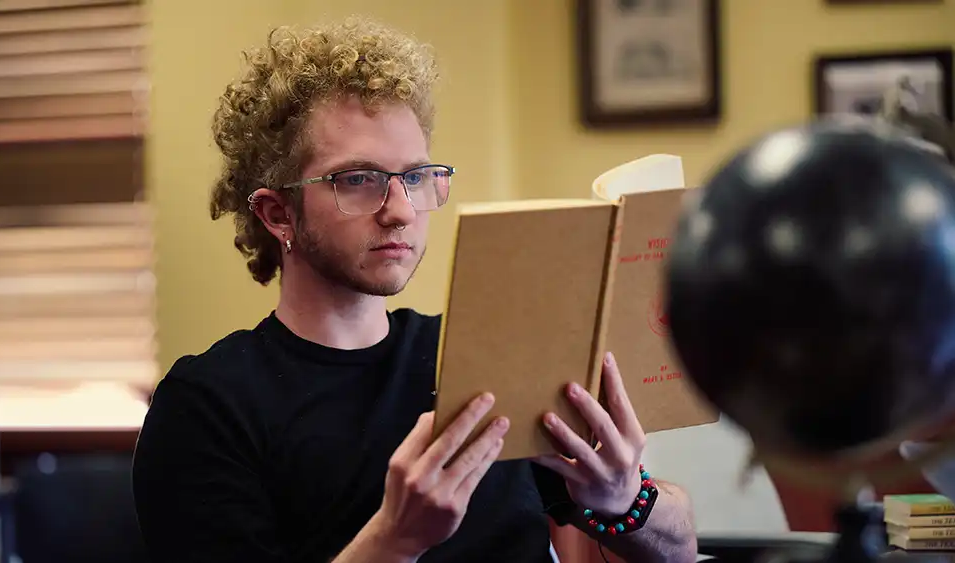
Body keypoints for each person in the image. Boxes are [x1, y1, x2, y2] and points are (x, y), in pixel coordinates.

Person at [131, 16, 697, 563]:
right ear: (278, 213)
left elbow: (681, 547)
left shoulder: (480, 356)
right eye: (359, 179)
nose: (401, 211)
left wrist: (626, 500)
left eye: (417, 177)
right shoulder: (206, 404)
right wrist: (395, 541)